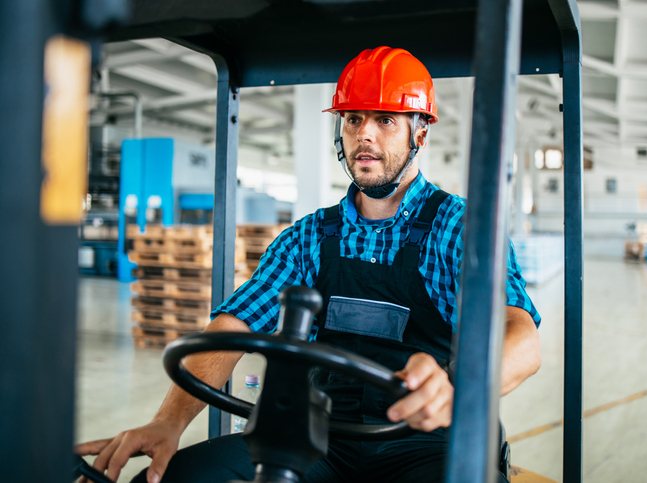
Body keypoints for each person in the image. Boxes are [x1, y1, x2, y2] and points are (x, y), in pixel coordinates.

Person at [76, 46, 541, 483]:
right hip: (319, 438)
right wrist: (168, 422)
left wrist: (461, 393)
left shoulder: (458, 228)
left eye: (385, 120)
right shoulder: (309, 238)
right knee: (185, 475)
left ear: (420, 131)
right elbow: (233, 327)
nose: (365, 134)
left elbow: (521, 338)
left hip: (425, 443)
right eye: (353, 119)